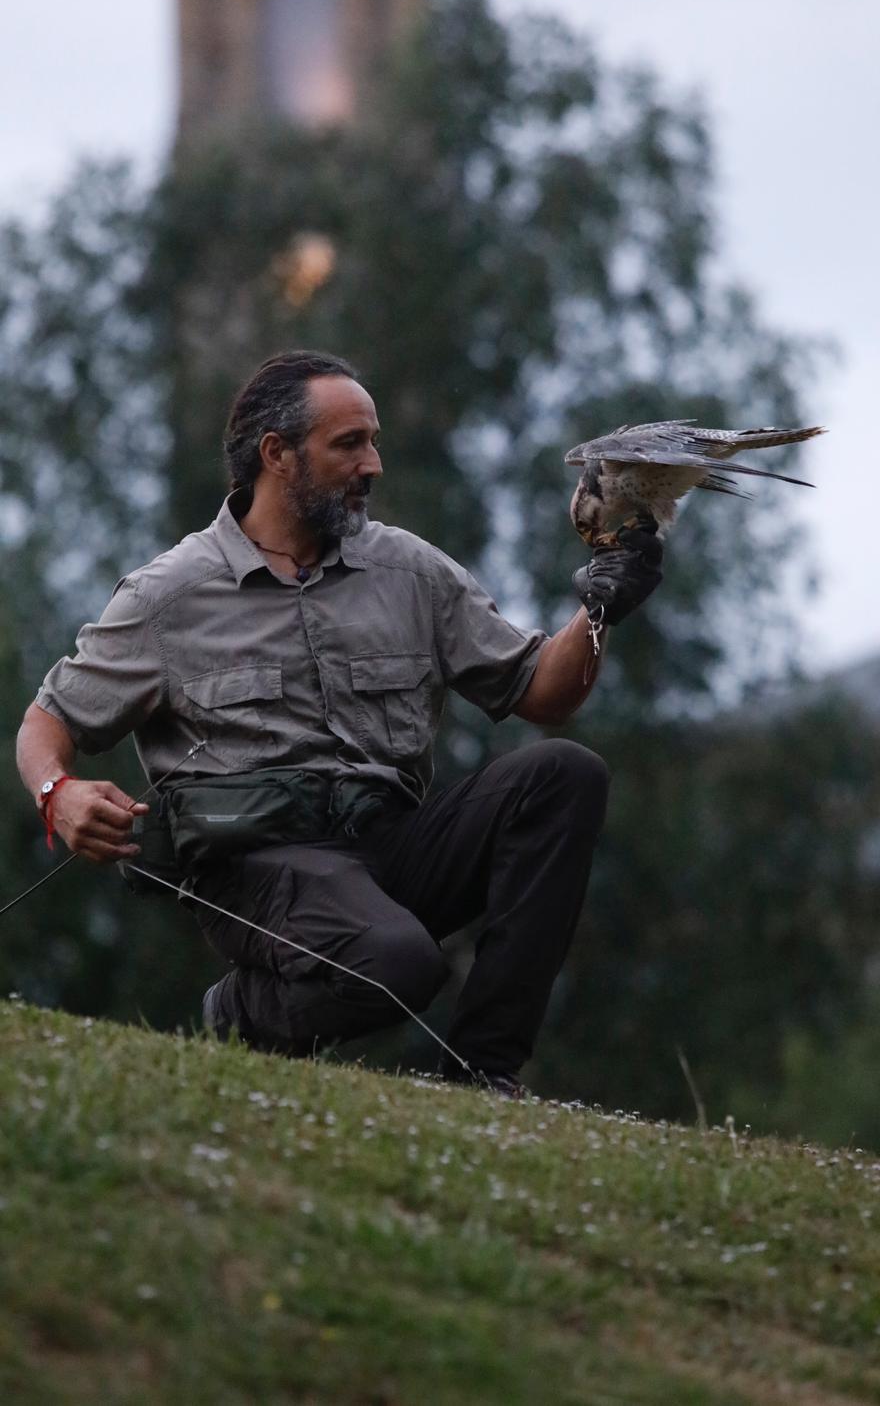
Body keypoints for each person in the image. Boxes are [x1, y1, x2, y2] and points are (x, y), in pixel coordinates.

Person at [16, 351, 662, 1096]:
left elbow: (542, 693)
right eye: (349, 443)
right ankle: (239, 1014)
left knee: (565, 775)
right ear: (276, 454)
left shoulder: (410, 571)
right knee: (400, 964)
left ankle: (484, 1075)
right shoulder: (169, 595)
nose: (374, 464)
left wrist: (601, 609)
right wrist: (56, 792)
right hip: (258, 866)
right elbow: (47, 720)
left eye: (374, 441)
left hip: (390, 844)